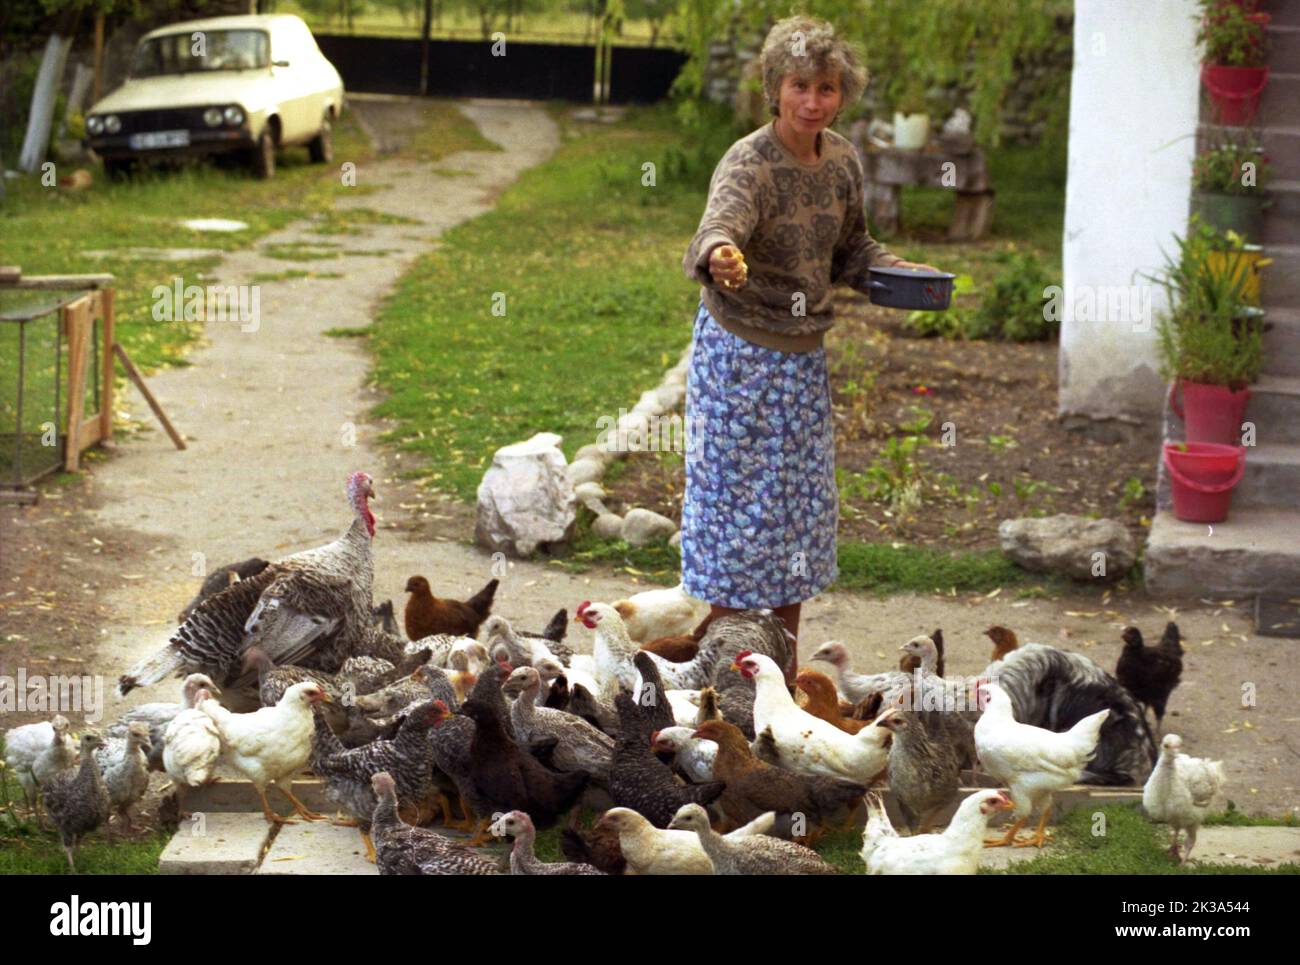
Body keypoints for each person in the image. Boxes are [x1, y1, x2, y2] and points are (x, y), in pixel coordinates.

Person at [680, 15, 941, 681]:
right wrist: (723, 256)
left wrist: (897, 271)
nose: (811, 102)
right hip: (740, 358)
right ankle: (719, 661)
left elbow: (852, 248)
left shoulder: (843, 161)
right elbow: (718, 229)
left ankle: (784, 668)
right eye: (799, 85)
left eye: (825, 88)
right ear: (775, 87)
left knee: (797, 516)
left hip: (802, 361)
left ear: (841, 94)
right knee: (739, 513)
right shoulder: (749, 161)